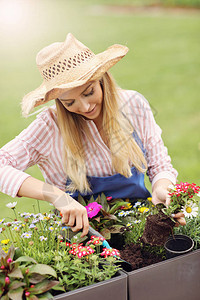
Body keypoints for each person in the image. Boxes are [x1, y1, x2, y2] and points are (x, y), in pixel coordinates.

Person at [0, 33, 185, 237]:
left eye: (89, 92)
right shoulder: (50, 126)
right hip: (83, 236)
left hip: (139, 224)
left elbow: (160, 165)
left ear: (102, 80)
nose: (85, 106)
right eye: (69, 103)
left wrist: (162, 188)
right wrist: (57, 197)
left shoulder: (133, 105)